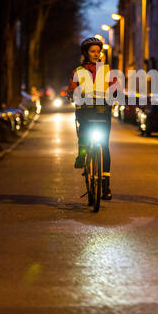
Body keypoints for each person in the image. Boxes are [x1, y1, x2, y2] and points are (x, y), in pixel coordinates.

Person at [67, 37, 118, 200]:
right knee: (84, 135)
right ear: (86, 53)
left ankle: (106, 186)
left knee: (104, 144)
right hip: (85, 110)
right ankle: (82, 155)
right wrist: (71, 94)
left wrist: (116, 92)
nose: (96, 54)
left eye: (98, 51)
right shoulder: (78, 71)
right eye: (92, 51)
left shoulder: (107, 70)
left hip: (103, 110)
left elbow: (114, 85)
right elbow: (72, 87)